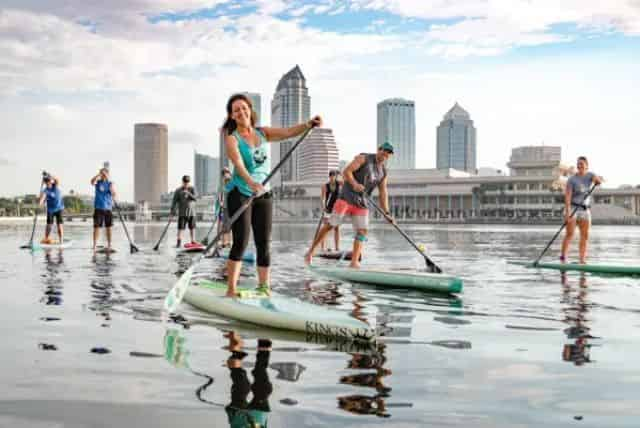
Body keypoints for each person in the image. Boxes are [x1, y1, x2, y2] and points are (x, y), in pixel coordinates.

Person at [222, 93, 321, 297]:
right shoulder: (232, 139)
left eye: (244, 108)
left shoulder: (263, 133)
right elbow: (238, 165)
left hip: (264, 194)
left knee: (264, 243)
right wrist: (252, 183)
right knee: (240, 242)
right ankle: (231, 289)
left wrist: (308, 124)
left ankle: (264, 288)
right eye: (236, 110)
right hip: (240, 192)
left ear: (250, 110)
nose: (241, 112)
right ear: (232, 116)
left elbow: (287, 132)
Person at [305, 142, 395, 268]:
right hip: (346, 199)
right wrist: (354, 184)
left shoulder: (383, 172)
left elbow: (383, 193)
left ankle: (354, 262)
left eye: (388, 153)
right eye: (384, 151)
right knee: (331, 225)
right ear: (378, 150)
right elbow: (346, 171)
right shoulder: (364, 158)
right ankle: (311, 251)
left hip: (361, 203)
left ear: (390, 156)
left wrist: (387, 213)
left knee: (362, 231)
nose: (385, 154)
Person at [560, 156, 603, 264]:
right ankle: (563, 258)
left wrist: (597, 181)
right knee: (570, 234)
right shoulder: (572, 179)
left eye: (582, 164)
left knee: (585, 236)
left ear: (586, 166)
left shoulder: (590, 175)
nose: (580, 166)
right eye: (578, 164)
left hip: (585, 209)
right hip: (573, 208)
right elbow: (568, 196)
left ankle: (582, 260)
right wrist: (568, 212)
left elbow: (597, 180)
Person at [224, 332, 273, 428]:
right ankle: (264, 341)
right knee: (263, 385)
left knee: (242, 386)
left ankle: (236, 347)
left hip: (238, 415)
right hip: (259, 415)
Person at [90, 167, 116, 252]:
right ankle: (94, 245)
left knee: (109, 228)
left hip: (108, 208)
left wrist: (110, 185)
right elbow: (92, 182)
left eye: (104, 173)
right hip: (98, 208)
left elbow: (114, 194)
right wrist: (98, 174)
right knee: (96, 227)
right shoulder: (98, 183)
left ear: (107, 174)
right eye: (102, 173)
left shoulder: (110, 183)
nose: (103, 175)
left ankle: (109, 244)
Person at [171, 175, 198, 248]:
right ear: (182, 181)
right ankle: (178, 242)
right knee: (181, 228)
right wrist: (172, 211)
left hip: (192, 212)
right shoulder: (178, 190)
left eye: (187, 182)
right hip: (182, 213)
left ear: (189, 182)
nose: (186, 183)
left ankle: (193, 241)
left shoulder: (192, 189)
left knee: (192, 227)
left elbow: (196, 198)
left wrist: (189, 194)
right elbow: (174, 201)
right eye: (185, 182)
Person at [38, 171, 64, 244]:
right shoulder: (45, 190)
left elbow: (57, 180)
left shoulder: (55, 185)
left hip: (59, 208)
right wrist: (40, 203)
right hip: (50, 210)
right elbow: (42, 199)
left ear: (50, 181)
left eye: (48, 181)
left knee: (59, 225)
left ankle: (61, 241)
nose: (48, 182)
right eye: (46, 182)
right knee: (49, 225)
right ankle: (46, 239)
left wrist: (50, 176)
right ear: (45, 183)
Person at [319, 170, 341, 252]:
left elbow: (347, 181)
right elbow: (322, 198)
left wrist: (341, 174)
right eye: (331, 176)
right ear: (329, 177)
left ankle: (337, 248)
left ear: (336, 177)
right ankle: (322, 247)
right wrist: (323, 207)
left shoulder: (340, 183)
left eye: (334, 176)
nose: (332, 178)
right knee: (325, 228)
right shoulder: (325, 186)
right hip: (328, 209)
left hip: (337, 209)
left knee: (336, 228)